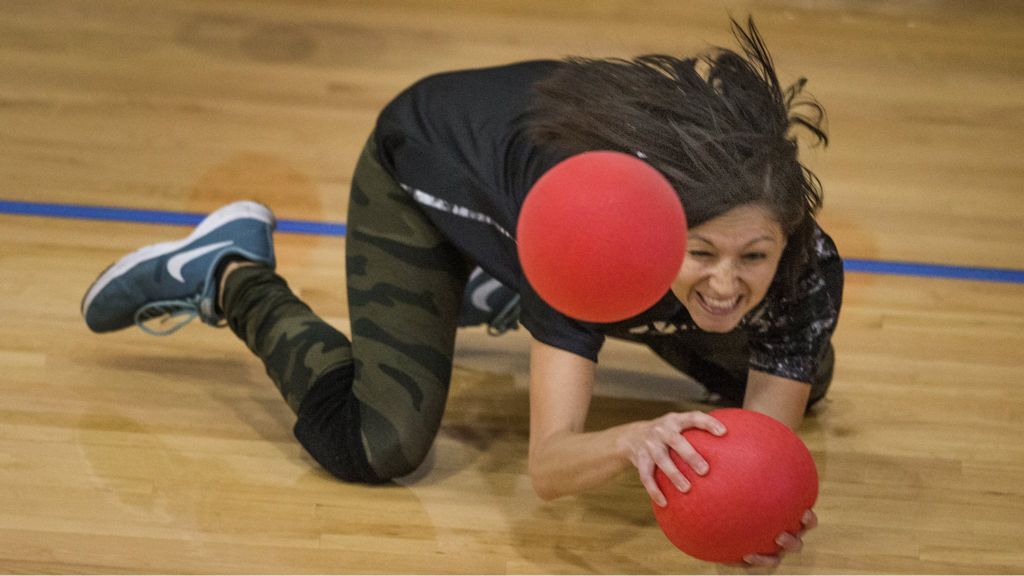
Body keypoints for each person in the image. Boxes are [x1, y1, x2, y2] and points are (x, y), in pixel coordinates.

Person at [81, 18, 840, 568]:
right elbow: (549, 469)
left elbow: (760, 451)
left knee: (805, 371)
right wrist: (629, 439)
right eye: (700, 251)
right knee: (377, 444)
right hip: (426, 166)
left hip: (531, 212)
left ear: (788, 239)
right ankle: (227, 273)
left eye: (754, 255)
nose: (726, 281)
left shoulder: (807, 272)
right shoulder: (595, 254)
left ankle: (496, 282)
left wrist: (755, 511)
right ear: (655, 232)